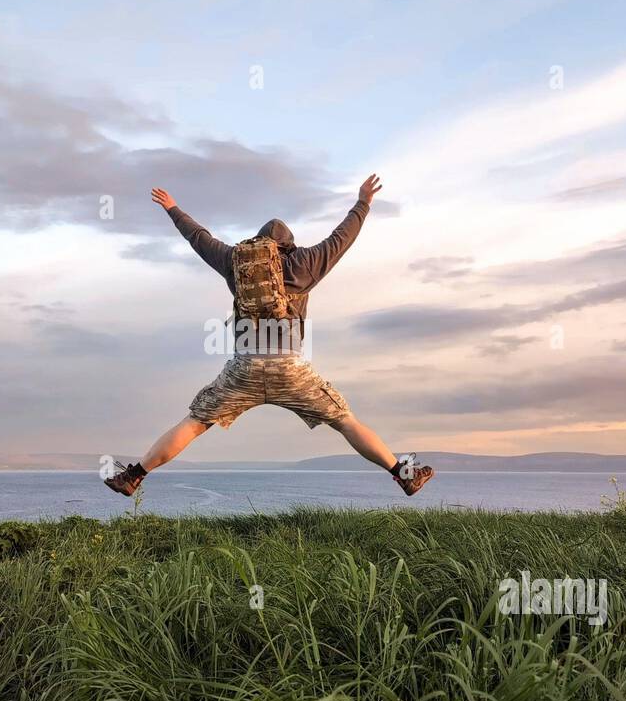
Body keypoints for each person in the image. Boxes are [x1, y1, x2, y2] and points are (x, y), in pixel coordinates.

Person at [103, 174, 434, 498]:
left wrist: (173, 209)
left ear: (257, 245)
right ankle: (404, 475)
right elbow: (341, 238)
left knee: (194, 423)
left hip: (244, 368)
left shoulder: (236, 261)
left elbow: (199, 239)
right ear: (289, 244)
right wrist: (362, 203)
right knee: (345, 421)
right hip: (290, 369)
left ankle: (133, 477)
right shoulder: (305, 263)